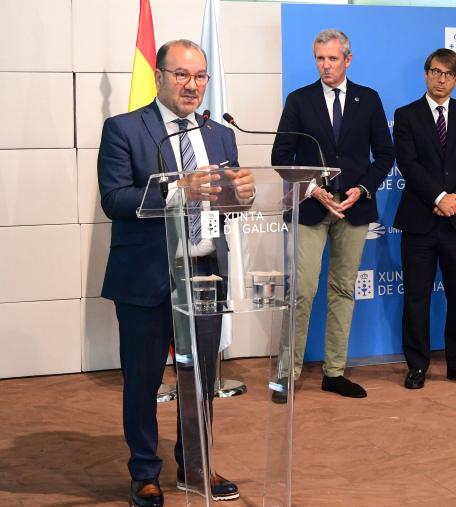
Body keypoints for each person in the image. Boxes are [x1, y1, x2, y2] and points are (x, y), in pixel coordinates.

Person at [98, 40, 253, 506]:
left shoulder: (220, 135)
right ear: (160, 76)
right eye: (182, 75)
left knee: (201, 379)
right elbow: (115, 200)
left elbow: (226, 207)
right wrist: (174, 189)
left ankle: (195, 466)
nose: (193, 85)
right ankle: (144, 472)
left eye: (200, 76)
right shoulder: (125, 128)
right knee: (144, 381)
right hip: (146, 276)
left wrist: (241, 197)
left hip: (204, 274)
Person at [271, 29, 393, 400]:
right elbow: (281, 156)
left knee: (343, 289)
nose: (325, 65)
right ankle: (286, 374)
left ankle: (334, 371)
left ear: (348, 59)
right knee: (303, 291)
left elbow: (385, 155)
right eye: (320, 59)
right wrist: (312, 189)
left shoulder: (368, 99)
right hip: (312, 208)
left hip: (354, 211)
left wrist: (362, 189)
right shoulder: (299, 100)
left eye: (332, 59)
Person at [392, 49, 456, 389]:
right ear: (426, 73)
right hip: (420, 220)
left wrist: (454, 200)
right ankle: (417, 365)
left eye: (447, 74)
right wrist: (438, 198)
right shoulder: (406, 115)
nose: (440, 79)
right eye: (434, 71)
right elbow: (409, 164)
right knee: (416, 298)